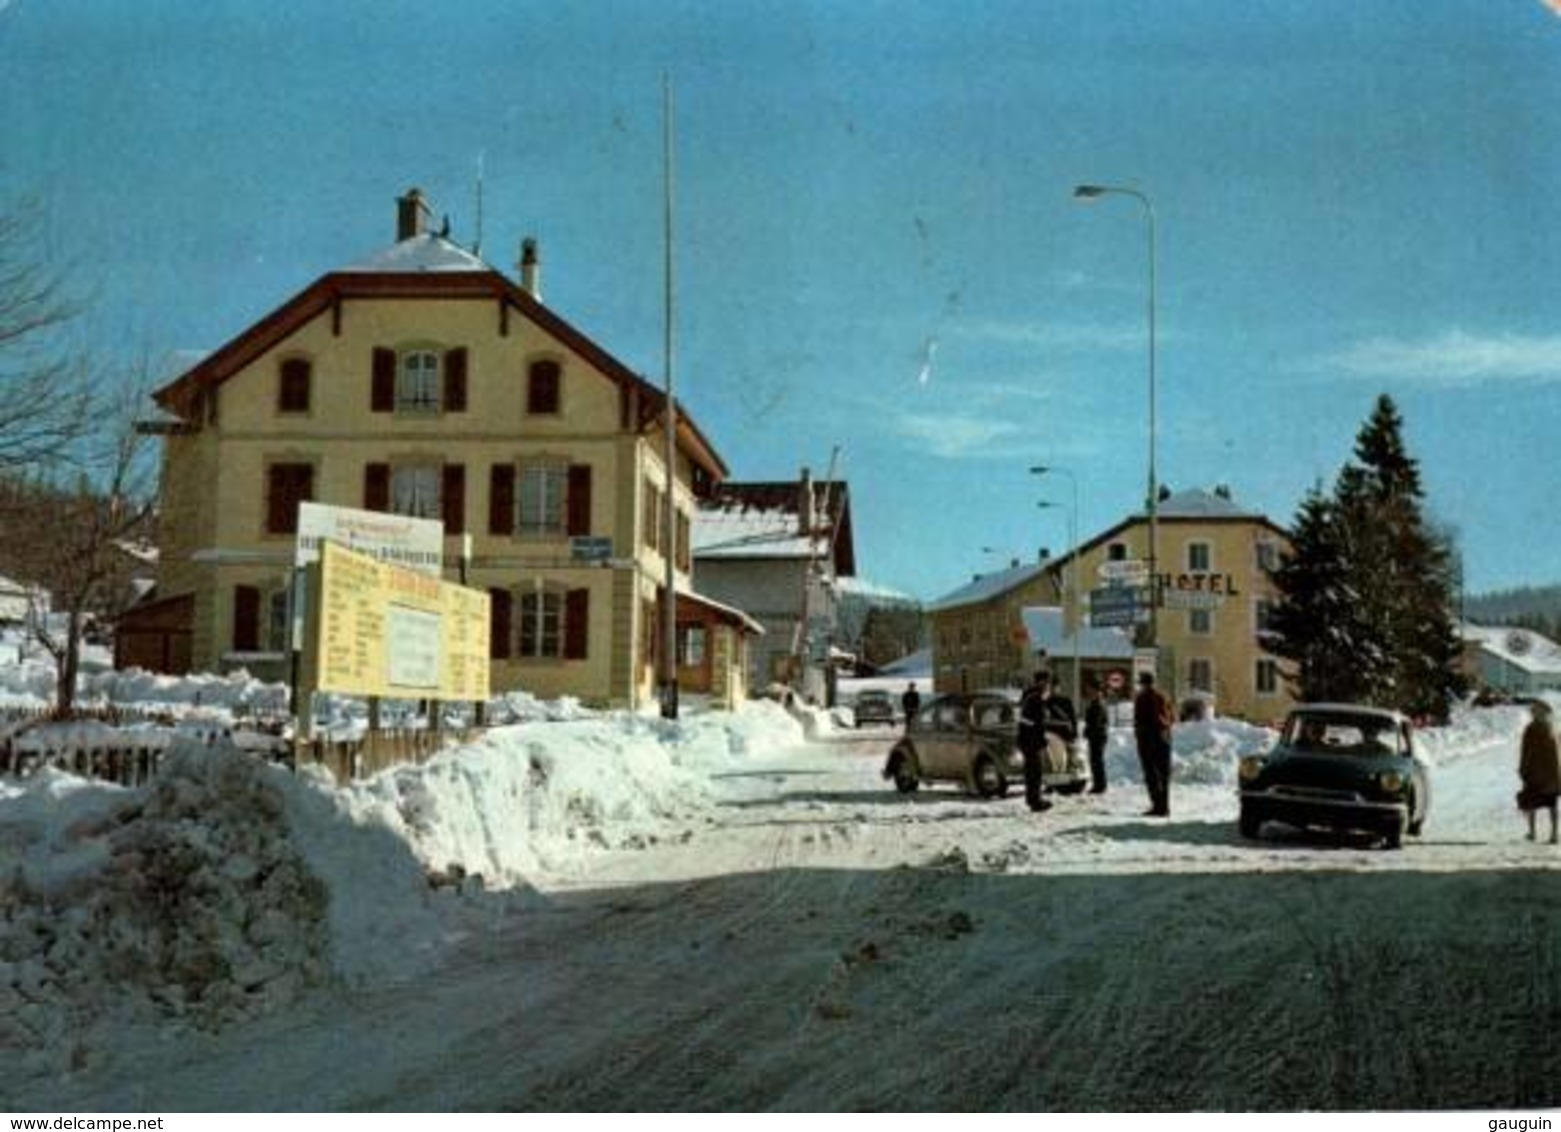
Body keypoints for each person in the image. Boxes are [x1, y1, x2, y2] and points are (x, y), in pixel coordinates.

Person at [1133, 670, 1175, 817]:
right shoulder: (1163, 696)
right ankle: (1164, 806)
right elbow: (1171, 717)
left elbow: (1140, 721)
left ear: (1143, 684)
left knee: (1151, 774)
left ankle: (1157, 806)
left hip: (1149, 739)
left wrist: (1139, 737)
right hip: (1165, 739)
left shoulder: (1142, 698)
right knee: (1163, 774)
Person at [1518, 700, 1560, 845]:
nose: (1533, 713)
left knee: (1532, 803)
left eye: (1535, 711)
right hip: (1551, 774)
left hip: (1536, 773)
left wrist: (1523, 768)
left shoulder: (1531, 729)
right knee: (1551, 804)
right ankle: (1553, 834)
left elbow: (1525, 751)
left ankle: (1533, 832)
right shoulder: (1552, 728)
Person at [1017, 671, 1054, 813]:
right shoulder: (1034, 697)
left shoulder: (1033, 696)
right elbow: (1032, 721)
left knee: (1033, 771)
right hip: (1030, 740)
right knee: (1034, 771)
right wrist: (1039, 736)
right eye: (1047, 682)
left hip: (1029, 739)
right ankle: (1035, 801)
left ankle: (1032, 798)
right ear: (1041, 682)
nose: (1048, 686)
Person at [1083, 681, 1110, 794]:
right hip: (1096, 735)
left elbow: (1096, 722)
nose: (1089, 692)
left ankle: (1100, 785)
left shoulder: (1098, 704)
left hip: (1097, 736)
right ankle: (1098, 784)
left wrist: (1089, 731)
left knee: (1097, 760)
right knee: (1095, 760)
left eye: (1091, 690)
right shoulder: (1096, 703)